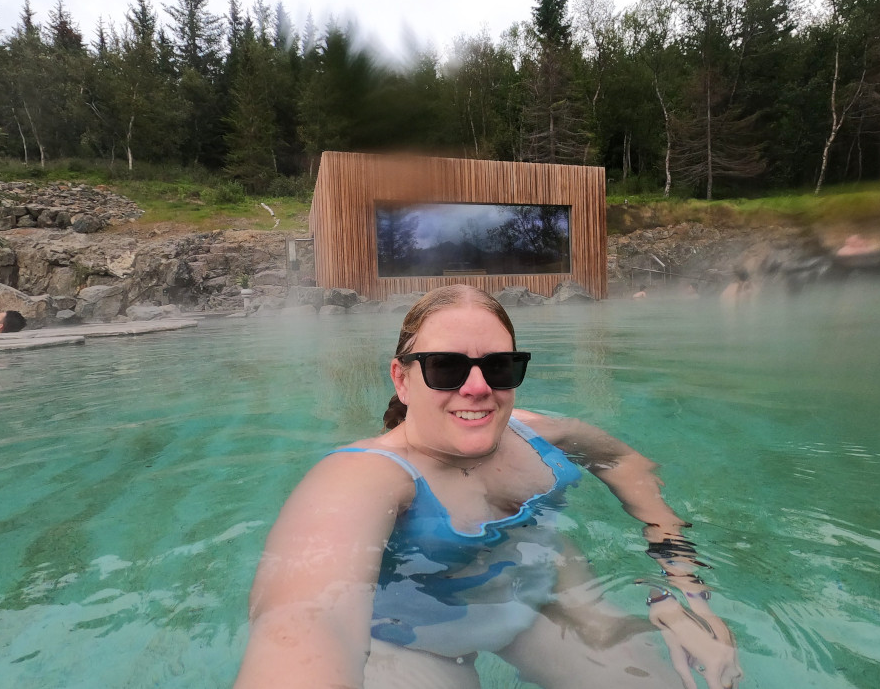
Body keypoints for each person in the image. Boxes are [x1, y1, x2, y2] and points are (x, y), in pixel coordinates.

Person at [234, 285, 741, 689]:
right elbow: (305, 618)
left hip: (541, 604)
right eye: (446, 367)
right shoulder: (366, 476)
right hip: (412, 643)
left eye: (498, 366)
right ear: (402, 379)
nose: (477, 387)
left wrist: (682, 588)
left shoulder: (538, 434)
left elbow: (626, 463)